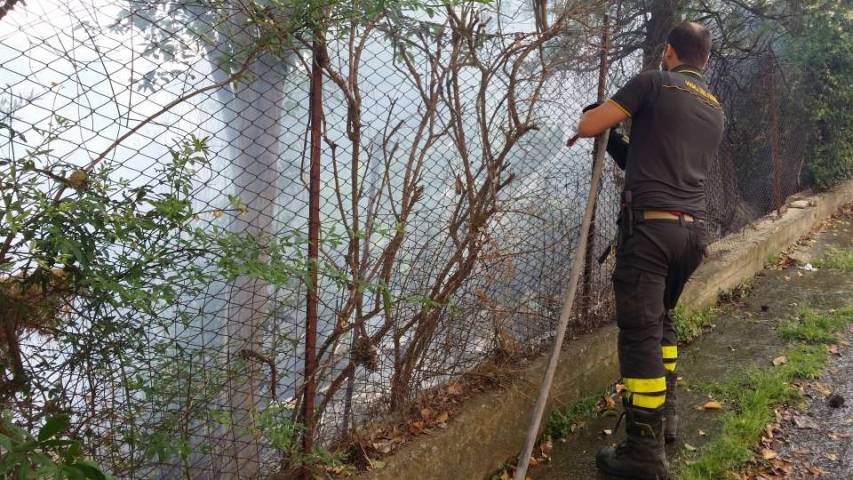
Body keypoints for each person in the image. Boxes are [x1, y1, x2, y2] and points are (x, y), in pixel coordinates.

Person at [573, 21, 725, 479]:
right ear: (706, 60)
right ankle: (666, 422)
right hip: (691, 236)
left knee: (640, 338)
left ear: (669, 52)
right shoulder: (715, 108)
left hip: (651, 234)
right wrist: (621, 145)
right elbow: (652, 159)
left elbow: (588, 124)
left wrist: (597, 119)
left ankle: (643, 454)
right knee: (662, 323)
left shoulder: (653, 82)